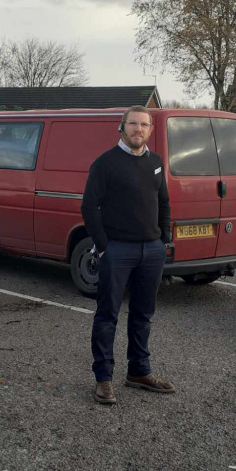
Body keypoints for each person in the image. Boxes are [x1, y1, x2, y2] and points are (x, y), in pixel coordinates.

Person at [81, 105, 174, 405]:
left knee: (143, 315)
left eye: (144, 124)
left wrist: (165, 240)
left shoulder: (156, 163)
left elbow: (164, 203)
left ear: (150, 129)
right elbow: (88, 207)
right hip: (117, 250)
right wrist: (104, 245)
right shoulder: (105, 163)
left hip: (152, 250)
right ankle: (104, 379)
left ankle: (138, 372)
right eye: (132, 124)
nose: (138, 129)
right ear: (121, 128)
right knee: (108, 315)